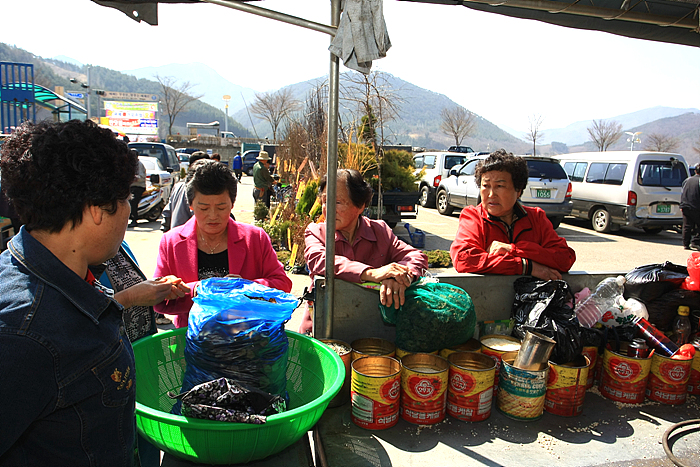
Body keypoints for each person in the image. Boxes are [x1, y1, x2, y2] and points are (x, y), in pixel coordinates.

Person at [0, 119, 139, 464]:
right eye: (124, 198)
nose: (129, 210)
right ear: (96, 209)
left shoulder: (59, 277)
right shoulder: (24, 337)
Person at [154, 159, 292, 328]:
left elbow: (283, 284)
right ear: (190, 205)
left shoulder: (255, 238)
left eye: (221, 207)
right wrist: (198, 290)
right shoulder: (172, 242)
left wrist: (245, 288)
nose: (213, 216)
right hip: (190, 341)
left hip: (248, 338)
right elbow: (159, 301)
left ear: (232, 204)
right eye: (204, 208)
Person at [301, 169, 428, 334]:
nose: (329, 209)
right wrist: (372, 273)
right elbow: (320, 260)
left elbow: (416, 257)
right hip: (321, 327)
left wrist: (400, 277)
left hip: (368, 326)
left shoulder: (380, 231)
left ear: (360, 205)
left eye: (338, 202)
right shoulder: (316, 232)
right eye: (325, 201)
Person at [450, 149, 576, 281]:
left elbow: (565, 258)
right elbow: (464, 258)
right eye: (486, 186)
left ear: (518, 190)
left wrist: (513, 249)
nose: (491, 194)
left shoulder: (536, 218)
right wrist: (526, 266)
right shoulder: (473, 216)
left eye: (499, 186)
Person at [162, 151, 209, 232]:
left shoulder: (178, 185)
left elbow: (167, 213)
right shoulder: (201, 189)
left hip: (176, 236)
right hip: (188, 238)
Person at [680, 162, 700, 250]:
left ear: (695, 171)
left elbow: (683, 193)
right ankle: (695, 242)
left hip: (685, 206)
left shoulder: (687, 180)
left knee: (687, 226)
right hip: (696, 207)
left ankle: (685, 244)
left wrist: (681, 205)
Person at [130, 155, 147, 227]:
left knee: (133, 201)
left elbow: (141, 177)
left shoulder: (139, 164)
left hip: (139, 186)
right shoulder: (130, 164)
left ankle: (134, 219)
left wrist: (133, 177)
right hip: (131, 186)